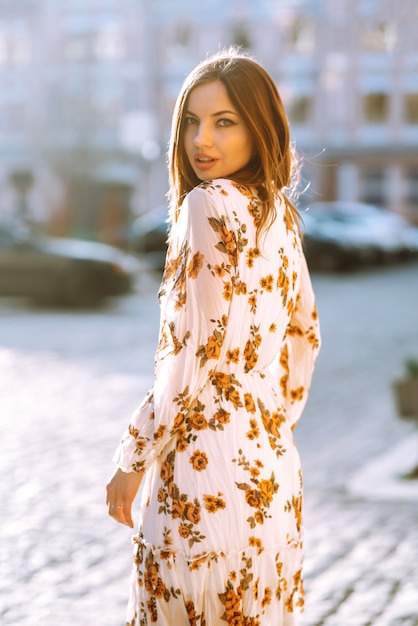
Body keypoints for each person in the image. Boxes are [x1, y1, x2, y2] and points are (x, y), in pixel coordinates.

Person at [106, 48, 321, 626]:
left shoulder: (207, 205)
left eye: (224, 121)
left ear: (261, 127)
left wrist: (133, 455)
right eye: (191, 122)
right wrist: (267, 419)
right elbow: (305, 335)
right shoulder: (279, 214)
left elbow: (187, 353)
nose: (202, 140)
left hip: (204, 475)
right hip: (271, 473)